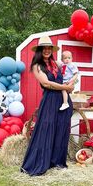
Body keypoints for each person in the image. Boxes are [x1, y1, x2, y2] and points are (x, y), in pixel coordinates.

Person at [21, 36, 74, 176]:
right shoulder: (37, 66)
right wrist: (65, 87)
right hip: (50, 100)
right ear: (39, 50)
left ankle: (56, 161)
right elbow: (46, 84)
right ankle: (39, 162)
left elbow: (70, 74)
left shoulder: (56, 64)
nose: (47, 50)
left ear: (52, 50)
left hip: (63, 100)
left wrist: (71, 85)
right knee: (46, 129)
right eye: (44, 48)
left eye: (49, 48)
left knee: (61, 129)